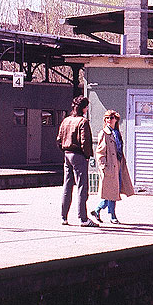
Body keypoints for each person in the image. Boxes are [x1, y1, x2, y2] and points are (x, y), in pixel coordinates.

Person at [57, 95, 97, 227]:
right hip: (78, 155)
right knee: (81, 186)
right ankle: (83, 218)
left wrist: (64, 150)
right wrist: (87, 155)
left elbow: (59, 139)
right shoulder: (83, 121)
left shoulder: (66, 120)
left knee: (67, 186)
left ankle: (64, 217)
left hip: (67, 154)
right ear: (84, 108)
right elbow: (85, 141)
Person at [91, 110, 135, 224]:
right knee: (112, 192)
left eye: (111, 118)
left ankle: (97, 210)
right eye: (107, 118)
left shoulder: (117, 132)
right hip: (110, 166)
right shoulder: (104, 133)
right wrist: (103, 167)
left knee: (114, 191)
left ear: (116, 119)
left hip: (118, 165)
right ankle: (112, 215)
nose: (109, 120)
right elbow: (100, 152)